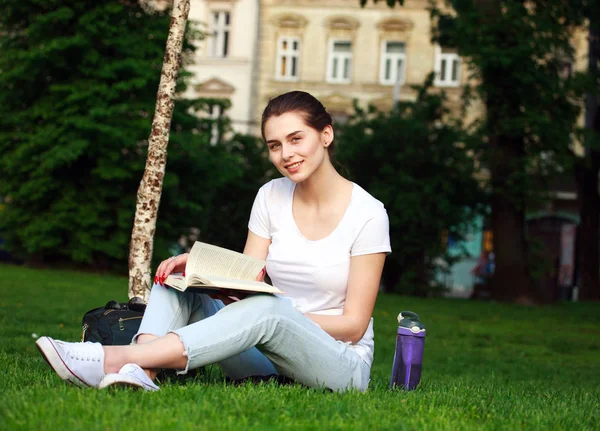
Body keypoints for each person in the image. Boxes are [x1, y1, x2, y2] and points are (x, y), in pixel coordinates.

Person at [35, 91, 391, 392]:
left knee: (271, 310)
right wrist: (202, 270)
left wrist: (281, 315)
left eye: (296, 139)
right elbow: (249, 282)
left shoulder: (368, 214)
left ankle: (112, 358)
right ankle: (143, 371)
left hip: (339, 363)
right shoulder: (270, 195)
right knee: (177, 282)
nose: (286, 154)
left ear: (325, 135)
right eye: (274, 145)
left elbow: (353, 325)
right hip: (264, 355)